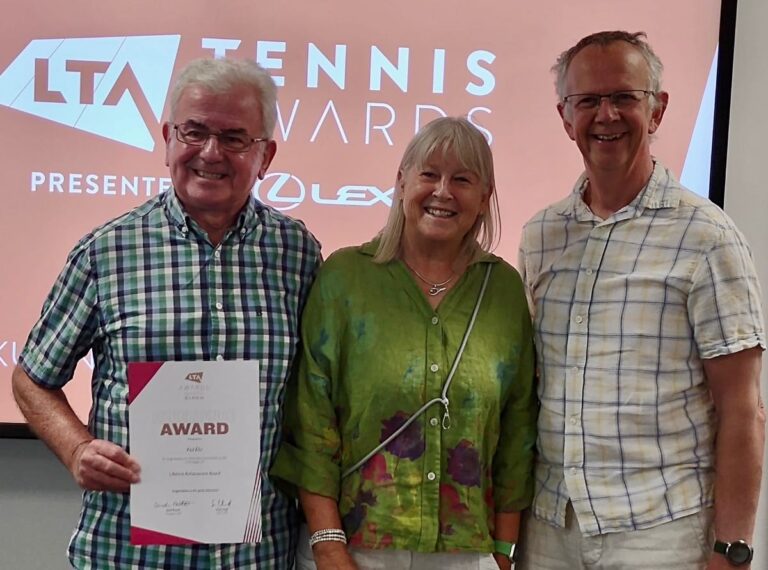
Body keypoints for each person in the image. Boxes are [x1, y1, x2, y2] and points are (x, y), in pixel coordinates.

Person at [12, 57, 320, 569]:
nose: (210, 153)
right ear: (167, 139)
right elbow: (32, 379)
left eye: (234, 138)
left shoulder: (298, 254)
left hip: (254, 556)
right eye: (194, 132)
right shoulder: (107, 251)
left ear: (265, 154)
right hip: (127, 553)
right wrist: (76, 449)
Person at [517, 30, 765, 569]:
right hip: (551, 528)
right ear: (565, 117)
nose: (606, 115)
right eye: (588, 101)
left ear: (657, 110)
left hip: (660, 536)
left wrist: (733, 550)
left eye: (624, 97)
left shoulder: (708, 238)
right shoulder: (542, 235)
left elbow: (743, 409)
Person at [271, 116, 537, 570]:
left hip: (467, 552)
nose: (443, 191)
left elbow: (516, 431)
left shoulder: (504, 290)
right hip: (353, 547)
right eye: (429, 174)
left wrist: (503, 554)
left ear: (484, 197)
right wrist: (329, 544)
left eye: (462, 180)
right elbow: (312, 419)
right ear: (400, 182)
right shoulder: (346, 278)